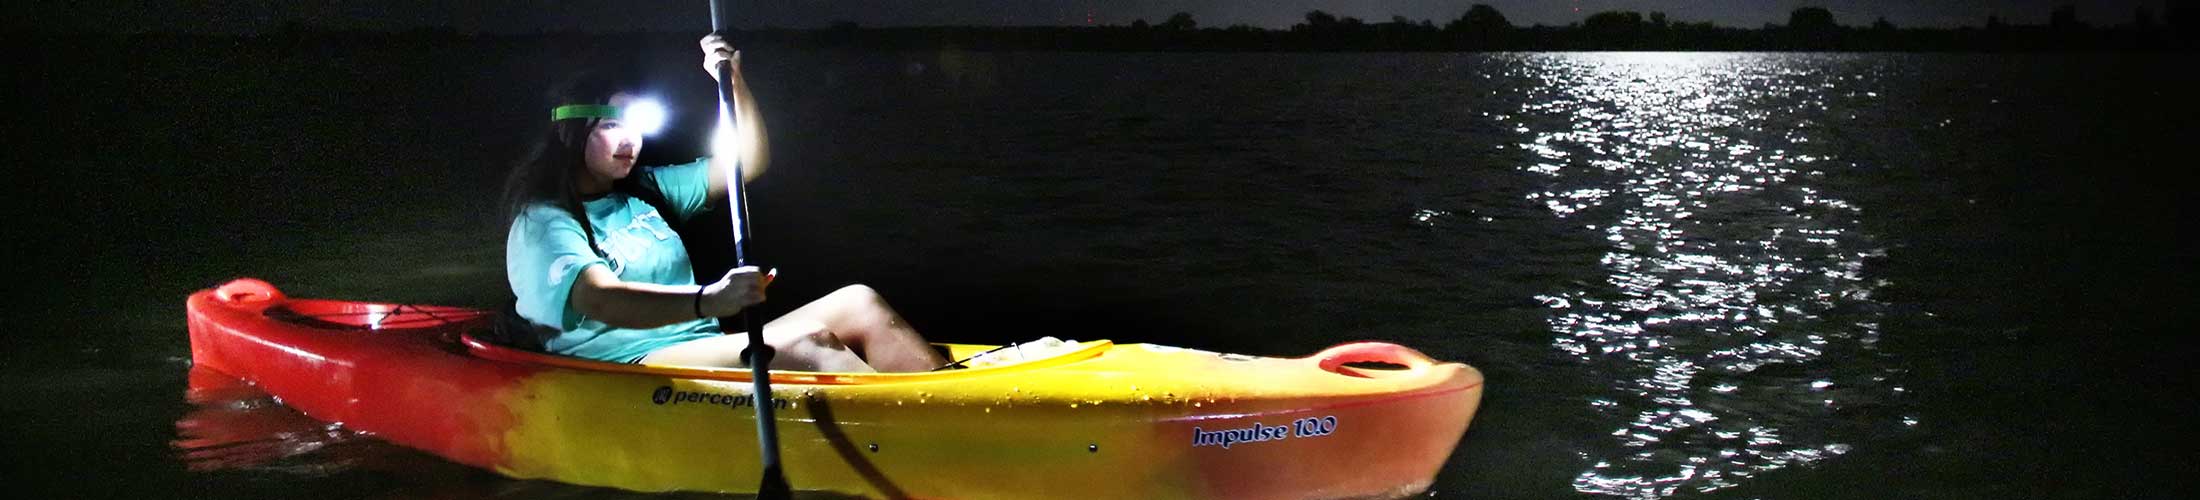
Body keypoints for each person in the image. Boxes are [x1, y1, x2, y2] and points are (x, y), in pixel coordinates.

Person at [500, 35, 945, 373]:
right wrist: (710, 299)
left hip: (700, 343)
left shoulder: (647, 189)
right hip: (631, 365)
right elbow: (599, 298)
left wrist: (731, 83)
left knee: (859, 302)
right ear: (569, 131)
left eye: (635, 125)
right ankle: (914, 434)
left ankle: (940, 395)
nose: (629, 140)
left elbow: (745, 161)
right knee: (807, 341)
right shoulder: (543, 219)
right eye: (611, 125)